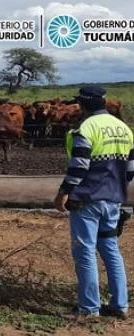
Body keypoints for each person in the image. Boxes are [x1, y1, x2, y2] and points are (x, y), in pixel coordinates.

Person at [54, 86, 134, 319]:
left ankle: (89, 308)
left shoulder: (85, 128)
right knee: (110, 249)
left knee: (85, 251)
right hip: (113, 199)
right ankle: (120, 305)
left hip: (87, 200)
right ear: (104, 102)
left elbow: (79, 165)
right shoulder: (124, 128)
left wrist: (64, 192)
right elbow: (131, 169)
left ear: (83, 104)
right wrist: (115, 187)